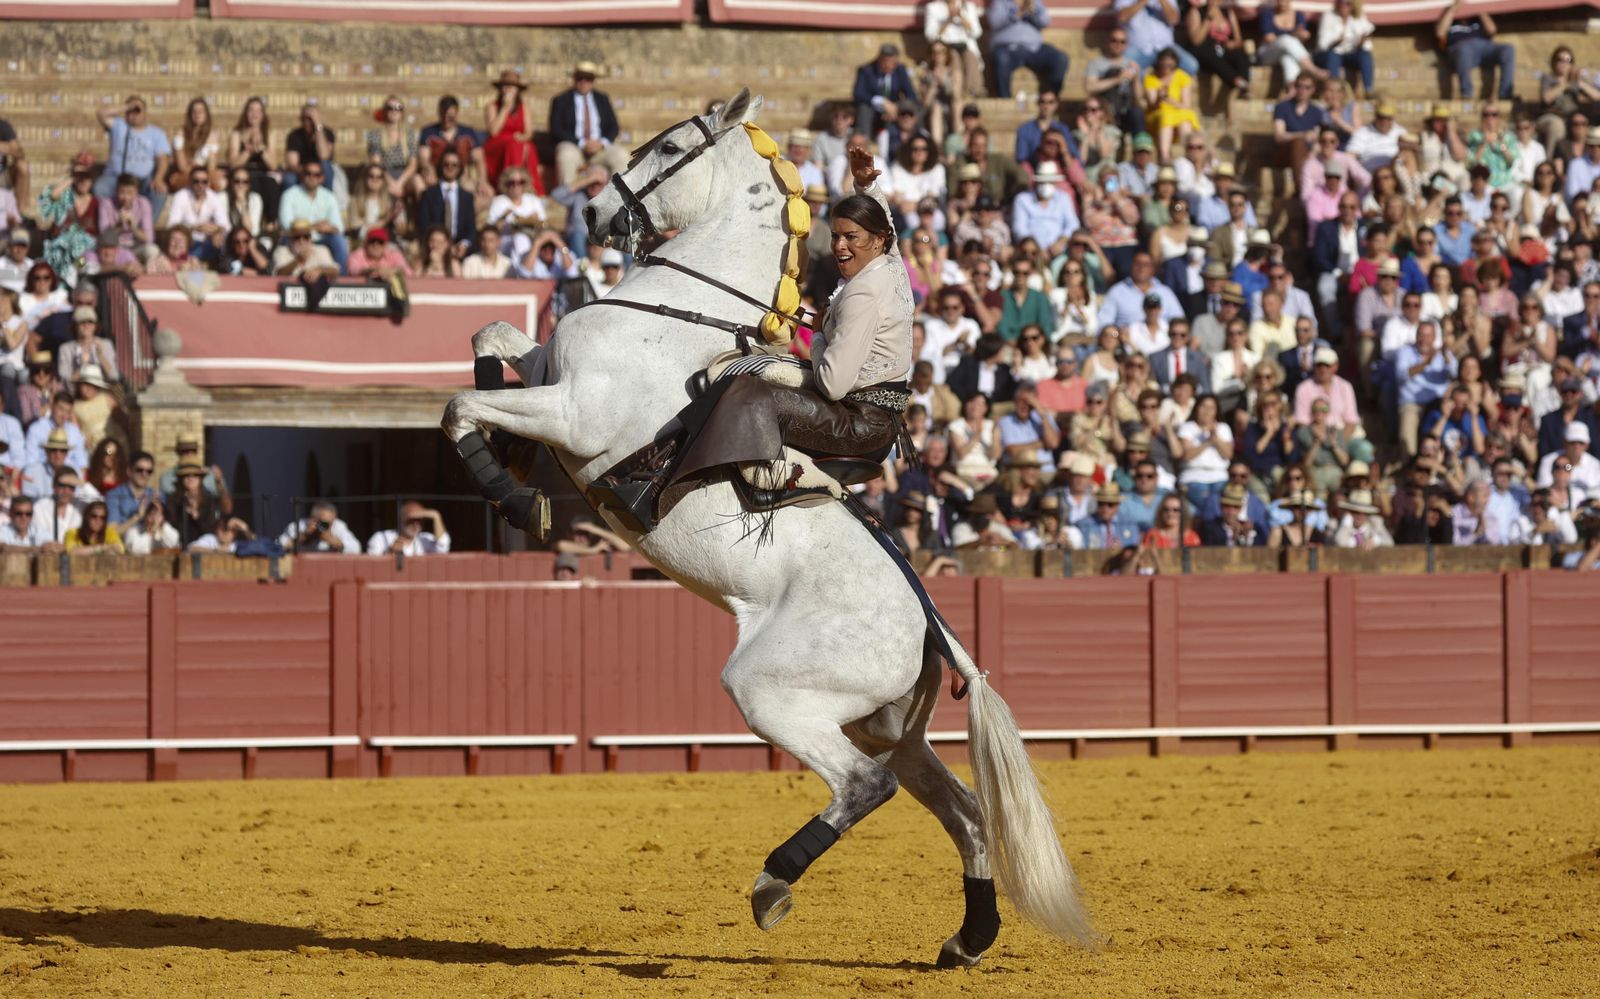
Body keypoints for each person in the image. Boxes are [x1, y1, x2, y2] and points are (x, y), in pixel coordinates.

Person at [674, 148, 913, 488]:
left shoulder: (864, 291)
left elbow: (832, 384)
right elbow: (884, 222)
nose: (840, 246)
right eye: (835, 236)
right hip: (875, 419)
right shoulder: (891, 264)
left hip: (859, 426)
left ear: (877, 241)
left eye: (851, 237)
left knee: (744, 394)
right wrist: (866, 187)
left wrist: (818, 336)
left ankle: (679, 476)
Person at [550, 61, 630, 190]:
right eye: (580, 78)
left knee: (621, 155)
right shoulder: (561, 100)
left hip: (600, 148)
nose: (583, 82)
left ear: (593, 80)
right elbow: (556, 129)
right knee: (565, 155)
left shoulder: (602, 98)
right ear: (574, 79)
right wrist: (582, 143)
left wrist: (601, 143)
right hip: (575, 147)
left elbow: (613, 127)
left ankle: (617, 201)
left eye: (588, 78)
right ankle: (567, 199)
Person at [93, 94, 171, 218]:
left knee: (160, 193)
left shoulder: (157, 133)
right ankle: (114, 221)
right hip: (116, 177)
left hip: (142, 180)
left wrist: (159, 178)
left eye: (138, 110)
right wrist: (127, 106)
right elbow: (101, 113)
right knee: (99, 188)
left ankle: (144, 229)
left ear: (145, 112)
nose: (134, 113)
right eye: (131, 111)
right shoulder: (118, 125)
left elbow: (163, 159)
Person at [986, 0, 1070, 99]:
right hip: (1008, 49)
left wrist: (1034, 11)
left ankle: (1050, 97)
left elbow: (1046, 21)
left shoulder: (1035, 1)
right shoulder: (1001, 2)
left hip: (1034, 48)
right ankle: (1005, 100)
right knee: (1001, 58)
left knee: (1060, 58)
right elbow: (994, 22)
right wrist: (1017, 13)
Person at [1435, 1, 1514, 102]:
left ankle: (1505, 94)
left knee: (1508, 49)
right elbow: (1440, 33)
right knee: (1464, 49)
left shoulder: (1476, 16)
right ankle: (1466, 93)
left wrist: (1478, 8)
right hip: (1460, 48)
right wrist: (1454, 8)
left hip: (1483, 47)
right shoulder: (1447, 14)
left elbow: (1492, 30)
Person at [276, 159, 346, 273]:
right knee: (285, 241)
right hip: (297, 240)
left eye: (316, 174)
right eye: (308, 173)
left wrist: (330, 228)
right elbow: (287, 226)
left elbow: (339, 227)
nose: (312, 177)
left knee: (339, 241)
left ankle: (343, 282)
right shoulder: (289, 195)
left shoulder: (329, 197)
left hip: (321, 240)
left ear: (322, 178)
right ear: (302, 176)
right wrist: (315, 227)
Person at [1141, 48, 1200, 164]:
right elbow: (1152, 106)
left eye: (1170, 61)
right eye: (1164, 60)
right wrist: (1159, 98)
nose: (1167, 64)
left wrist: (1169, 100)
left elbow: (1186, 105)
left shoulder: (1182, 76)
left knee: (1185, 119)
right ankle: (1165, 156)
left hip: (1177, 114)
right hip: (1156, 116)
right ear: (1159, 62)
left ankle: (1189, 155)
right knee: (1166, 116)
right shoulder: (1150, 78)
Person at [483, 71, 538, 195]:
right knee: (513, 145)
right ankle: (508, 183)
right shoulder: (492, 106)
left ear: (517, 90)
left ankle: (527, 186)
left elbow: (529, 133)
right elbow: (493, 131)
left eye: (512, 86)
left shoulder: (524, 107)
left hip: (517, 142)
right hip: (497, 144)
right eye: (505, 86)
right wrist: (505, 108)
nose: (508, 89)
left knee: (527, 146)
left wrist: (521, 137)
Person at [416, 150, 476, 258]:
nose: (450, 167)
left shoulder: (467, 197)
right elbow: (424, 225)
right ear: (440, 166)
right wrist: (441, 245)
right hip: (434, 248)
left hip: (460, 251)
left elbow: (471, 229)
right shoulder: (428, 194)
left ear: (459, 168)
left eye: (454, 165)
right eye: (446, 164)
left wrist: (464, 245)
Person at [924, 0, 986, 101]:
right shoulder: (933, 7)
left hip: (965, 46)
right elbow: (931, 36)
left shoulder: (969, 7)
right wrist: (948, 20)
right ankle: (958, 94)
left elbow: (977, 32)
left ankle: (972, 92)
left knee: (971, 59)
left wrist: (961, 17)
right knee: (954, 60)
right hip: (946, 46)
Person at [1315, 0, 1374, 97]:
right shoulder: (1329, 16)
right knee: (1333, 55)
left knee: (1365, 55)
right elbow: (1322, 45)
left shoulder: (1359, 18)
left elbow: (1367, 45)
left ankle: (1368, 89)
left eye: (1348, 3)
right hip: (1328, 55)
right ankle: (1334, 90)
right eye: (1341, 2)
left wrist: (1360, 42)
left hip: (1349, 54)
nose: (1344, 6)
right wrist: (1336, 42)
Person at [367, 500, 451, 556]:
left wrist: (435, 515)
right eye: (412, 519)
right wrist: (389, 553)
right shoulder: (381, 538)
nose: (416, 524)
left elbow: (443, 547)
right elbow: (371, 567)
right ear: (401, 519)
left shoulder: (425, 538)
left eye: (420, 519)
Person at [271, 220, 339, 280]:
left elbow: (335, 270)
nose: (302, 241)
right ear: (290, 239)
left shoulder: (321, 250)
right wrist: (299, 260)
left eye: (306, 237)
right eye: (297, 237)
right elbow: (279, 274)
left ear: (310, 238)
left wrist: (320, 270)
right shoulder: (282, 251)